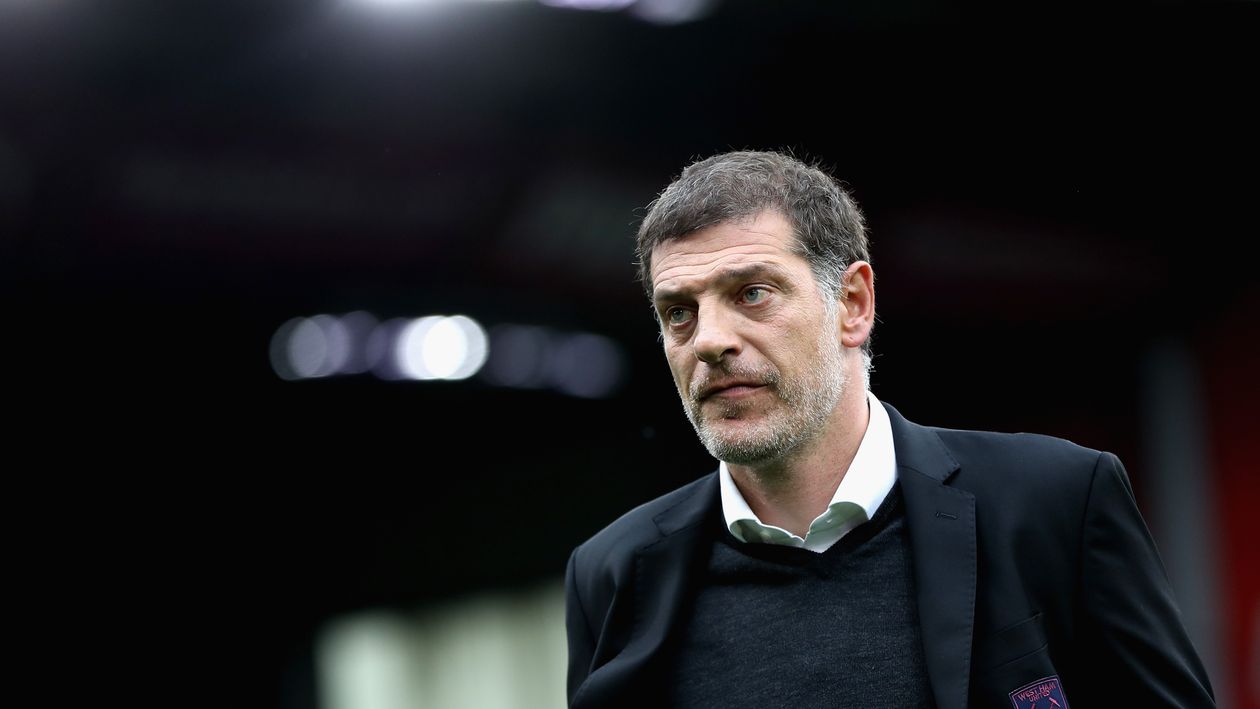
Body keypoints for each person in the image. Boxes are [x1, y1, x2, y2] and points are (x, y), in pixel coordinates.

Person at [563, 150, 1216, 708]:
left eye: (752, 293)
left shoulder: (1056, 502)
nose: (709, 340)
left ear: (853, 304)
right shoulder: (613, 575)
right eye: (679, 311)